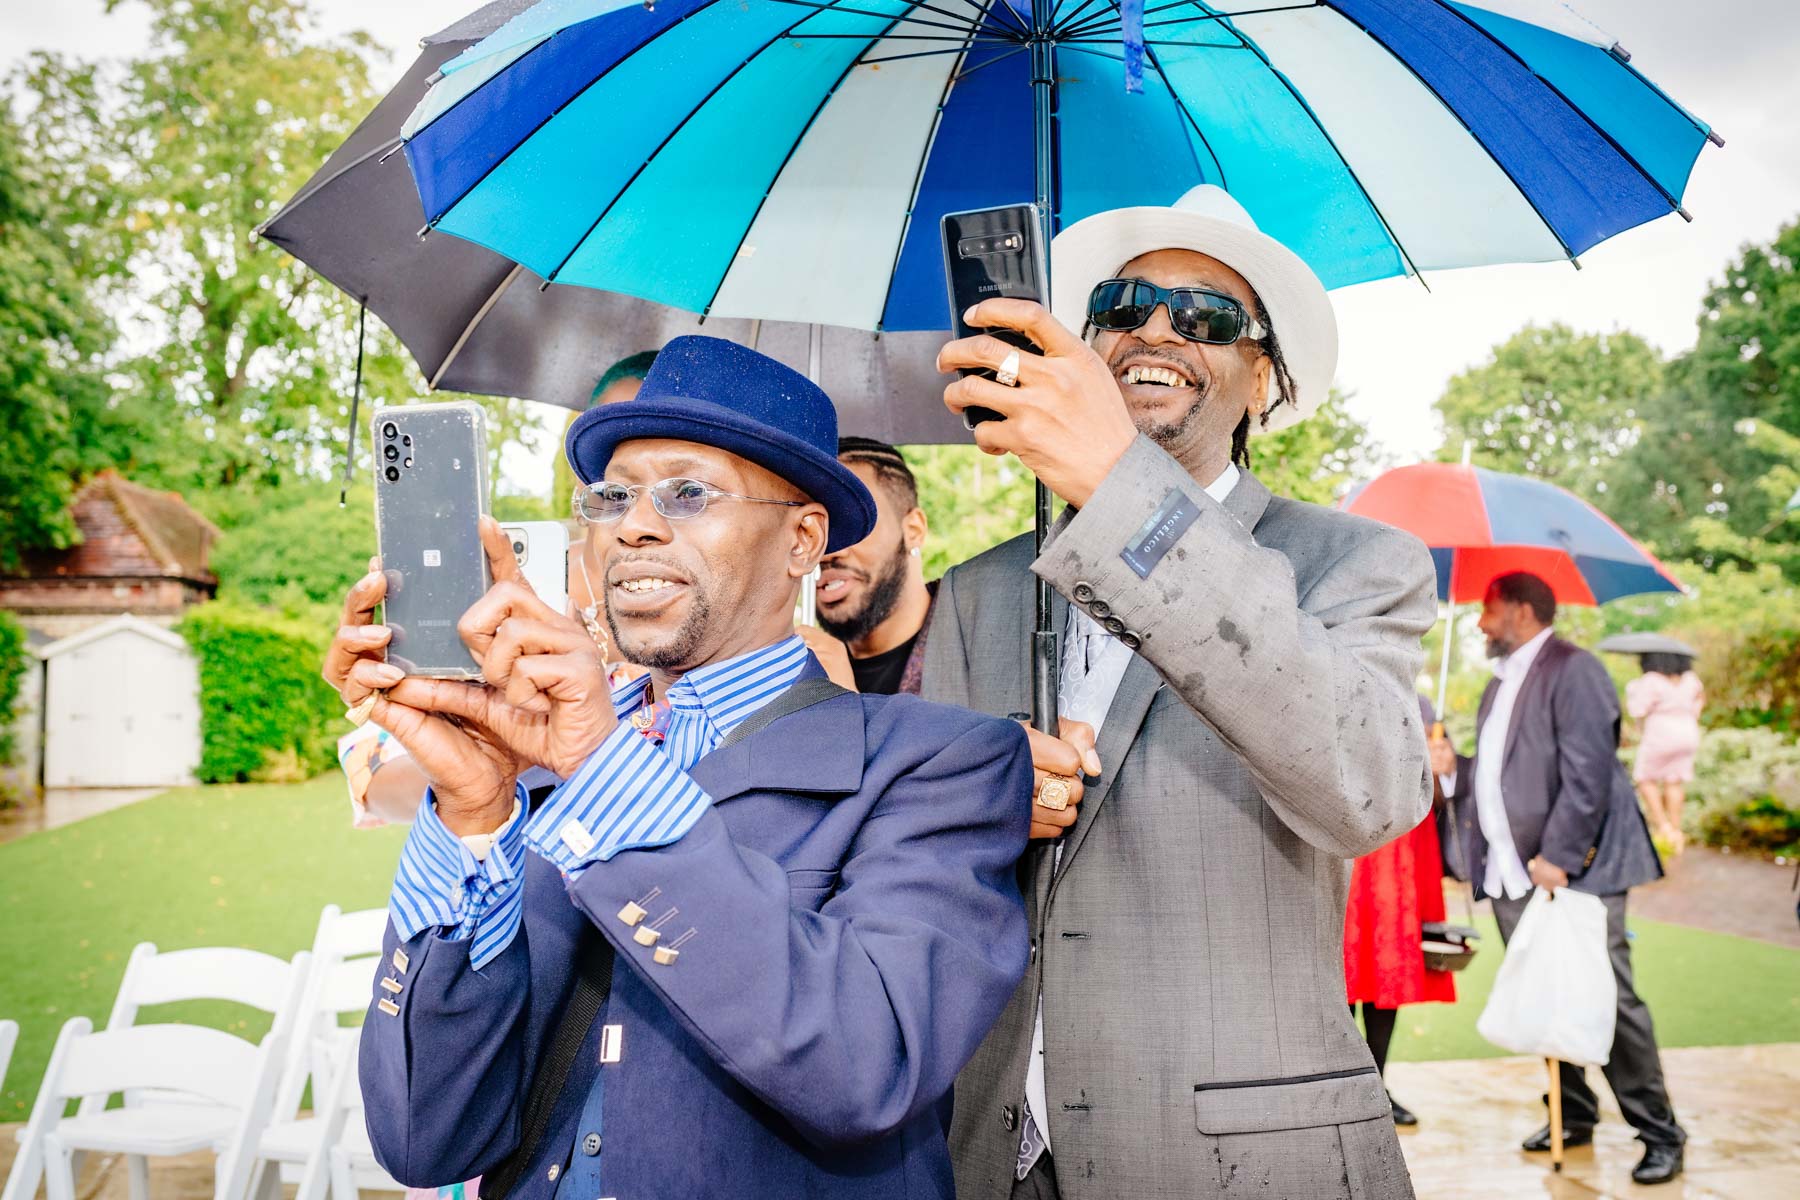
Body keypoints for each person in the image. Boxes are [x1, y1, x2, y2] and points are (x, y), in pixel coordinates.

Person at [325, 335, 1033, 1199]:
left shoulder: (943, 763)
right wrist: (471, 814)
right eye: (612, 496)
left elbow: (867, 1062)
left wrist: (598, 763)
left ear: (804, 538)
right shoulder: (534, 770)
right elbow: (423, 1139)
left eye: (688, 493)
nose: (634, 525)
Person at [927, 184, 1437, 1199]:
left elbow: (1370, 789)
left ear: (1263, 382)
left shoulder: (1358, 562)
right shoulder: (977, 590)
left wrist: (1121, 485)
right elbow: (920, 871)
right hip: (987, 1154)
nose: (1155, 329)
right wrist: (978, 802)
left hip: (1241, 1163)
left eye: (1204, 318)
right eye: (1120, 307)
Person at [1430, 571, 1682, 1185]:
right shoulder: (1499, 683)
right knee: (1545, 995)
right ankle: (1572, 1115)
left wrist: (1562, 856)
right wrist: (1451, 769)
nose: (1482, 624)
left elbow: (1589, 773)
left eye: (1488, 610)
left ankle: (1660, 1133)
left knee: (1610, 998)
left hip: (1573, 872)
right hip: (1513, 873)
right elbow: (1497, 774)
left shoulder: (1577, 670)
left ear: (1517, 609)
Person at [344, 350, 661, 829]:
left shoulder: (740, 631)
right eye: (612, 447)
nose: (638, 496)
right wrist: (486, 772)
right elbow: (373, 786)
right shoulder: (498, 587)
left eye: (682, 482)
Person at [1344, 695, 1458, 1130]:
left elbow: (1437, 795)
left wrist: (1438, 769)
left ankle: (1377, 1085)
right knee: (1346, 969)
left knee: (1384, 971)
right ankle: (1348, 1084)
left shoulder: (1421, 704)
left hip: (1399, 855)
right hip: (1349, 847)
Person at [796, 437, 938, 696]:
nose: (830, 551)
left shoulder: (976, 653)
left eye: (856, 525)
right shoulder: (803, 672)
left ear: (913, 530)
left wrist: (846, 709)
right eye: (811, 530)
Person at [1627, 651, 1704, 855]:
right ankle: (1677, 829)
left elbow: (1637, 709)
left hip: (1661, 733)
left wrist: (1633, 690)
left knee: (1645, 778)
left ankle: (1663, 826)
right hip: (1687, 731)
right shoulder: (1690, 679)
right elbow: (1699, 702)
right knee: (1674, 781)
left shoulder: (1652, 680)